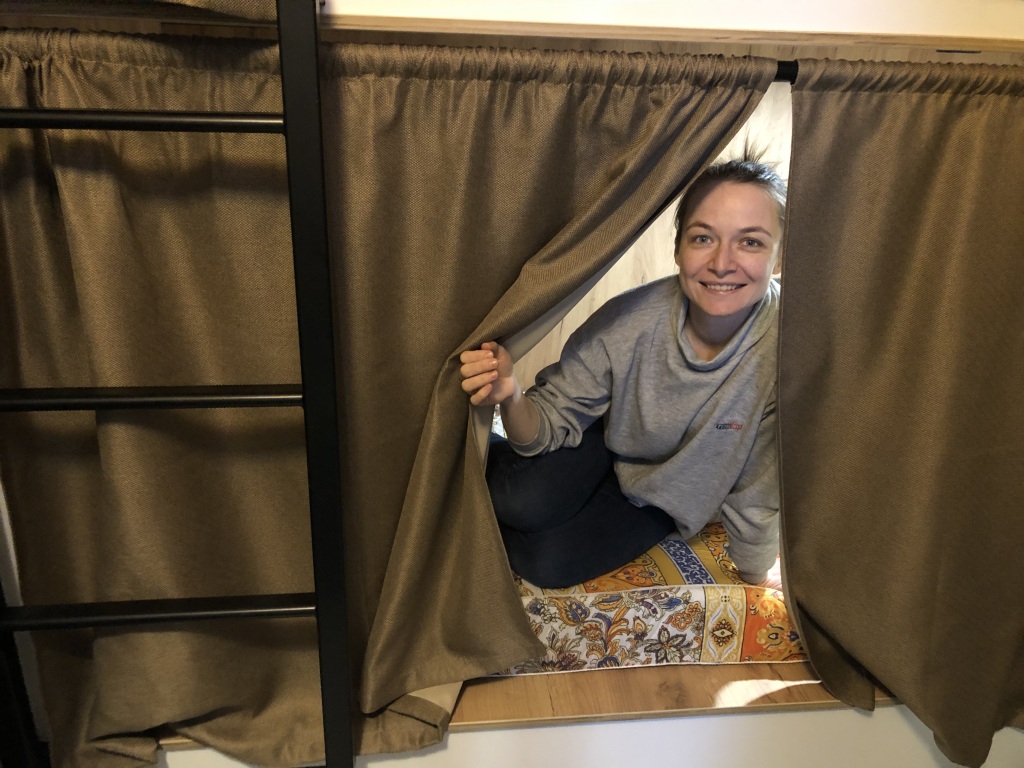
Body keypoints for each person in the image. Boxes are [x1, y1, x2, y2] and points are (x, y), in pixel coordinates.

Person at [460, 152, 785, 589]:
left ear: (779, 258)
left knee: (547, 565)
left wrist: (755, 576)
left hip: (664, 496)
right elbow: (549, 419)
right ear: (678, 250)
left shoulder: (786, 348)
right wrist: (512, 396)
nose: (722, 263)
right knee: (522, 502)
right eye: (703, 238)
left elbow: (761, 482)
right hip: (605, 442)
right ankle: (479, 460)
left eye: (751, 242)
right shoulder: (630, 320)